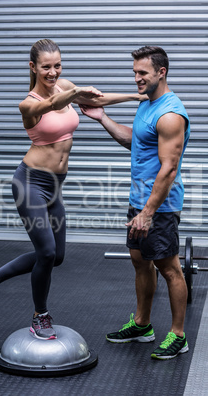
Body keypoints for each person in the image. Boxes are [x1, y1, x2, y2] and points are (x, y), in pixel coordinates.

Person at [0, 39, 145, 340]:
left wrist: (136, 96)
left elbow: (96, 100)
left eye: (57, 65)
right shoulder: (29, 103)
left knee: (55, 256)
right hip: (29, 183)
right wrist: (73, 92)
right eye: (46, 67)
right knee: (45, 252)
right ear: (33, 67)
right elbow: (51, 105)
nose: (53, 72)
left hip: (54, 188)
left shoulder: (65, 87)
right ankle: (40, 315)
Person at [80, 46, 190, 360]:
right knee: (140, 262)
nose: (137, 78)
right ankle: (142, 324)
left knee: (169, 269)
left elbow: (168, 168)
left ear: (161, 72)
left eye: (142, 73)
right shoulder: (147, 104)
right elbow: (135, 139)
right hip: (139, 200)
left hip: (160, 206)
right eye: (135, 73)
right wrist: (102, 117)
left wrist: (148, 212)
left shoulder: (170, 113)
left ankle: (178, 335)